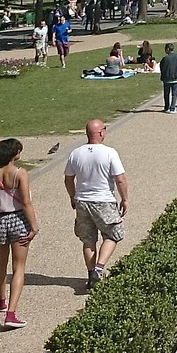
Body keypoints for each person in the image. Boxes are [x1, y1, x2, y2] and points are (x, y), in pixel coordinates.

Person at [64, 120, 127, 289]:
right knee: (113, 234)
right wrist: (125, 199)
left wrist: (73, 196)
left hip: (82, 201)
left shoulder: (76, 153)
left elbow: (68, 178)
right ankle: (99, 268)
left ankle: (91, 275)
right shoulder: (109, 153)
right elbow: (120, 179)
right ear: (100, 133)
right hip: (103, 200)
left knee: (88, 240)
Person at [0, 137, 39, 328]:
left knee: (0, 264)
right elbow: (26, 203)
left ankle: (2, 299)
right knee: (18, 267)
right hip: (17, 219)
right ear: (15, 154)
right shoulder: (20, 173)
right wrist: (34, 226)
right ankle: (11, 314)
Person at [159, 42, 177, 114]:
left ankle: (167, 107)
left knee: (166, 94)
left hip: (167, 79)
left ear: (168, 49)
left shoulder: (165, 59)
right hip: (175, 78)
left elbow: (161, 67)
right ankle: (172, 107)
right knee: (174, 94)